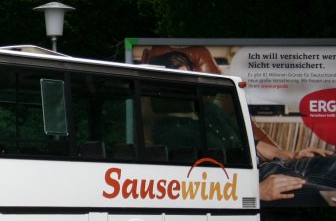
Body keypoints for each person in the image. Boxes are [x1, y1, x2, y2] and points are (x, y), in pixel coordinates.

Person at [143, 47, 335, 206]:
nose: (185, 87)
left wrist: (291, 155)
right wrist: (255, 192)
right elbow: (193, 185)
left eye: (188, 79)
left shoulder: (209, 109)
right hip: (253, 183)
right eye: (178, 81)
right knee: (323, 194)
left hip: (273, 168)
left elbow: (252, 142)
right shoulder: (165, 132)